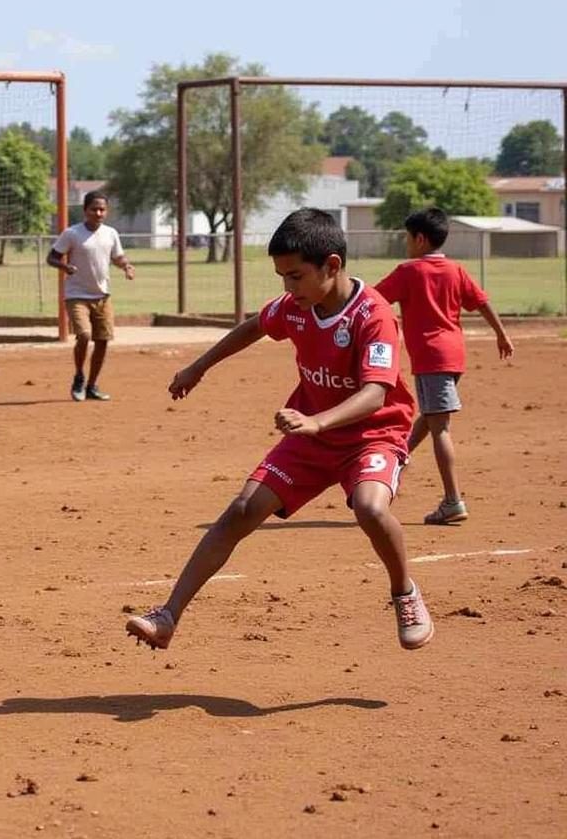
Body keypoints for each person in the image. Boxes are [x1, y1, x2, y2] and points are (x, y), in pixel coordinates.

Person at [125, 208, 434, 654]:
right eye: (281, 278)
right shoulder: (296, 307)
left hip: (372, 434)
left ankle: (404, 593)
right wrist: (199, 367)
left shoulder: (373, 315)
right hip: (312, 438)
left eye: (295, 276)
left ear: (332, 265)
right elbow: (254, 326)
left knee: (369, 507)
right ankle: (167, 616)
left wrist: (316, 421)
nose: (287, 289)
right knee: (241, 510)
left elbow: (375, 393)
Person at [375, 207, 514, 525]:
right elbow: (480, 302)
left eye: (408, 238)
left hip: (430, 358)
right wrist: (501, 335)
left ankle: (452, 500)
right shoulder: (456, 270)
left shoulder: (409, 271)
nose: (406, 244)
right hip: (454, 357)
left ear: (421, 239)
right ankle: (400, 454)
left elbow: (374, 297)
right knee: (432, 415)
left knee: (440, 428)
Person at [47, 190, 135, 401]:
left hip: (102, 295)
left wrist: (126, 266)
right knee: (84, 335)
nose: (98, 213)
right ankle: (79, 376)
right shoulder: (72, 234)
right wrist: (64, 266)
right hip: (76, 295)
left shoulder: (111, 233)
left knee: (103, 340)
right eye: (94, 209)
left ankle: (92, 385)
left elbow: (117, 256)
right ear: (85, 210)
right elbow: (52, 257)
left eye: (102, 209)